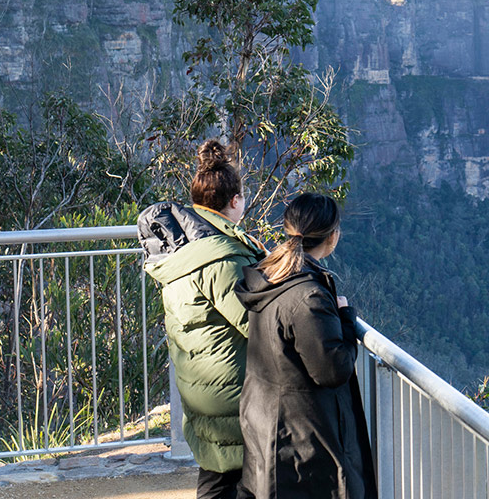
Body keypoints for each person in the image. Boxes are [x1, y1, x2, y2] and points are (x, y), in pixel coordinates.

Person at [139, 140, 266, 499]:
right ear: (235, 201)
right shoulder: (221, 259)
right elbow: (253, 321)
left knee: (215, 478)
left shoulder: (179, 252)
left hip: (199, 385)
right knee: (240, 481)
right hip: (231, 391)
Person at [235, 193, 377, 499]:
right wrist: (346, 319)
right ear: (333, 236)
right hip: (301, 436)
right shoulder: (307, 295)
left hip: (267, 417)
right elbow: (332, 369)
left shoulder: (270, 275)